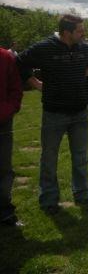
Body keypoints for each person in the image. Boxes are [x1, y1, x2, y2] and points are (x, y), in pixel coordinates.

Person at [16, 14, 88, 214]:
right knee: (49, 157)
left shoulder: (84, 48)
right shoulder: (45, 47)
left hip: (79, 112)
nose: (83, 33)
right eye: (79, 30)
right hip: (54, 112)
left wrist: (78, 76)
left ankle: (82, 193)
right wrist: (35, 83)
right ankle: (49, 199)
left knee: (80, 156)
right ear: (66, 32)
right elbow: (19, 62)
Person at [0, 47, 23, 226]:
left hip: (2, 120)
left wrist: (9, 109)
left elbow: (15, 87)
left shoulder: (5, 56)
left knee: (4, 168)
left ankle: (4, 211)